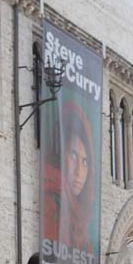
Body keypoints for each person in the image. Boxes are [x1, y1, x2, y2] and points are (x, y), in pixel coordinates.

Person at [42, 101, 96, 256]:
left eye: (85, 162)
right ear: (60, 153)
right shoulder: (50, 203)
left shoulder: (81, 221)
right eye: (73, 155)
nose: (79, 171)